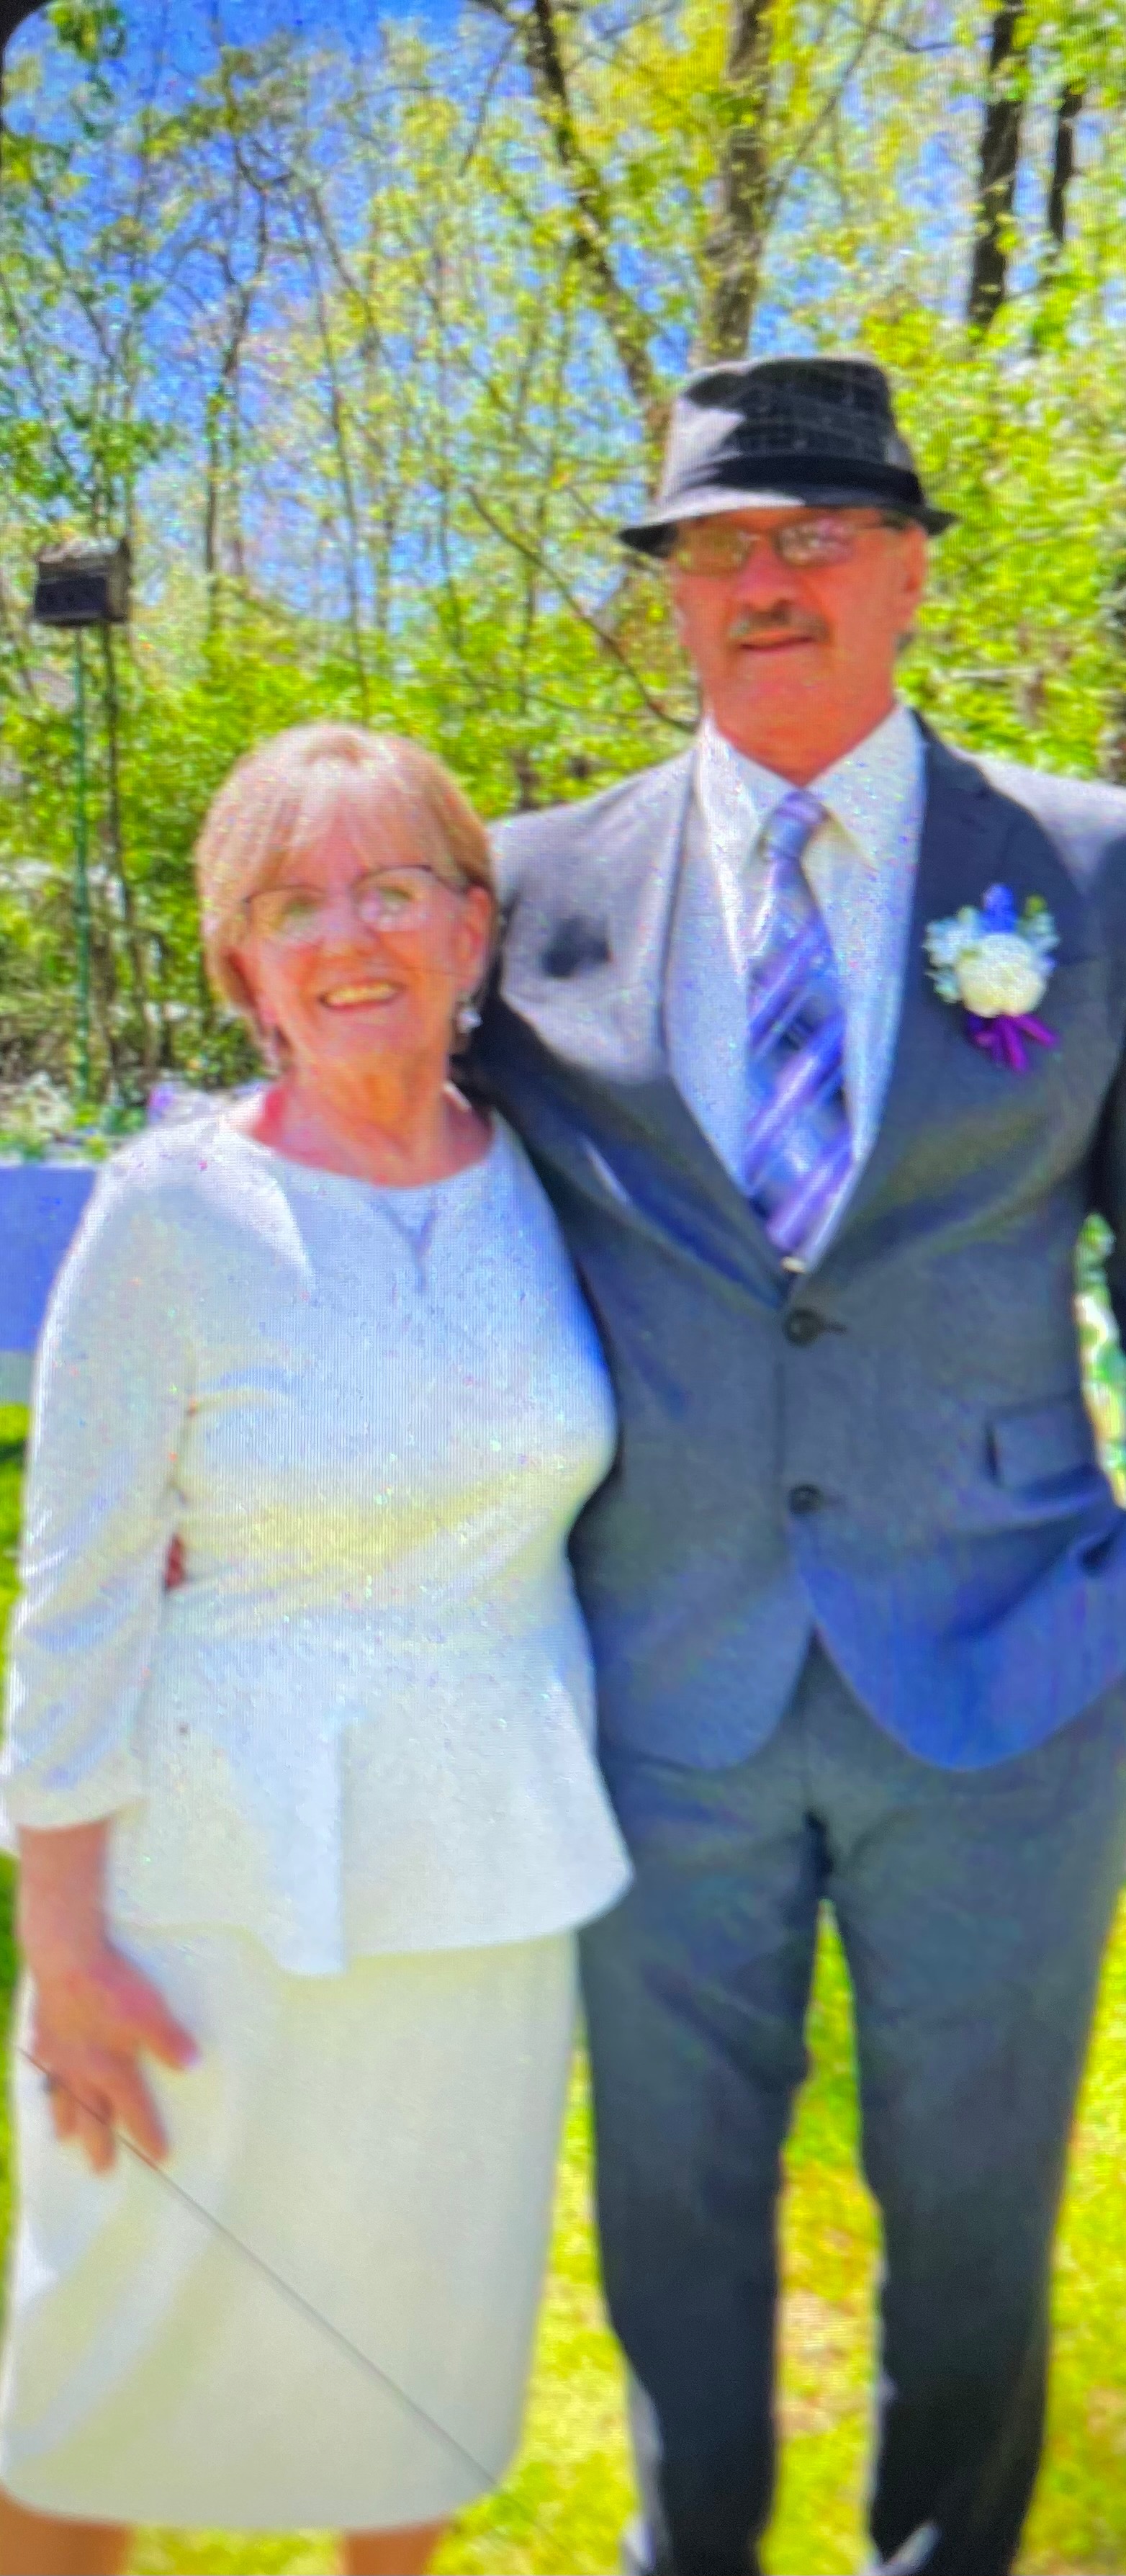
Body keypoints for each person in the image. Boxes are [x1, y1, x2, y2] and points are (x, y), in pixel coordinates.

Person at [471, 352, 1126, 2576]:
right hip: (658, 1685)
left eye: (811, 537)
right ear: (667, 594)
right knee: (667, 2214)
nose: (760, 582)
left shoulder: (1096, 871)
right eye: (712, 548)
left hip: (1018, 1679)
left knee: (977, 2217)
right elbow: (397, 1181)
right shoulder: (526, 892)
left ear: (911, 568)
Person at [0, 723, 630, 2576]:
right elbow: (78, 1597)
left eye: (392, 887)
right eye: (289, 905)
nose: (348, 935)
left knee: (414, 2345)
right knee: (103, 2357)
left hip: (490, 1881)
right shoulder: (171, 1212)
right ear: (240, 966)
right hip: (209, 1891)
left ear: (472, 925)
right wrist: (63, 1954)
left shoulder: (556, 1181)